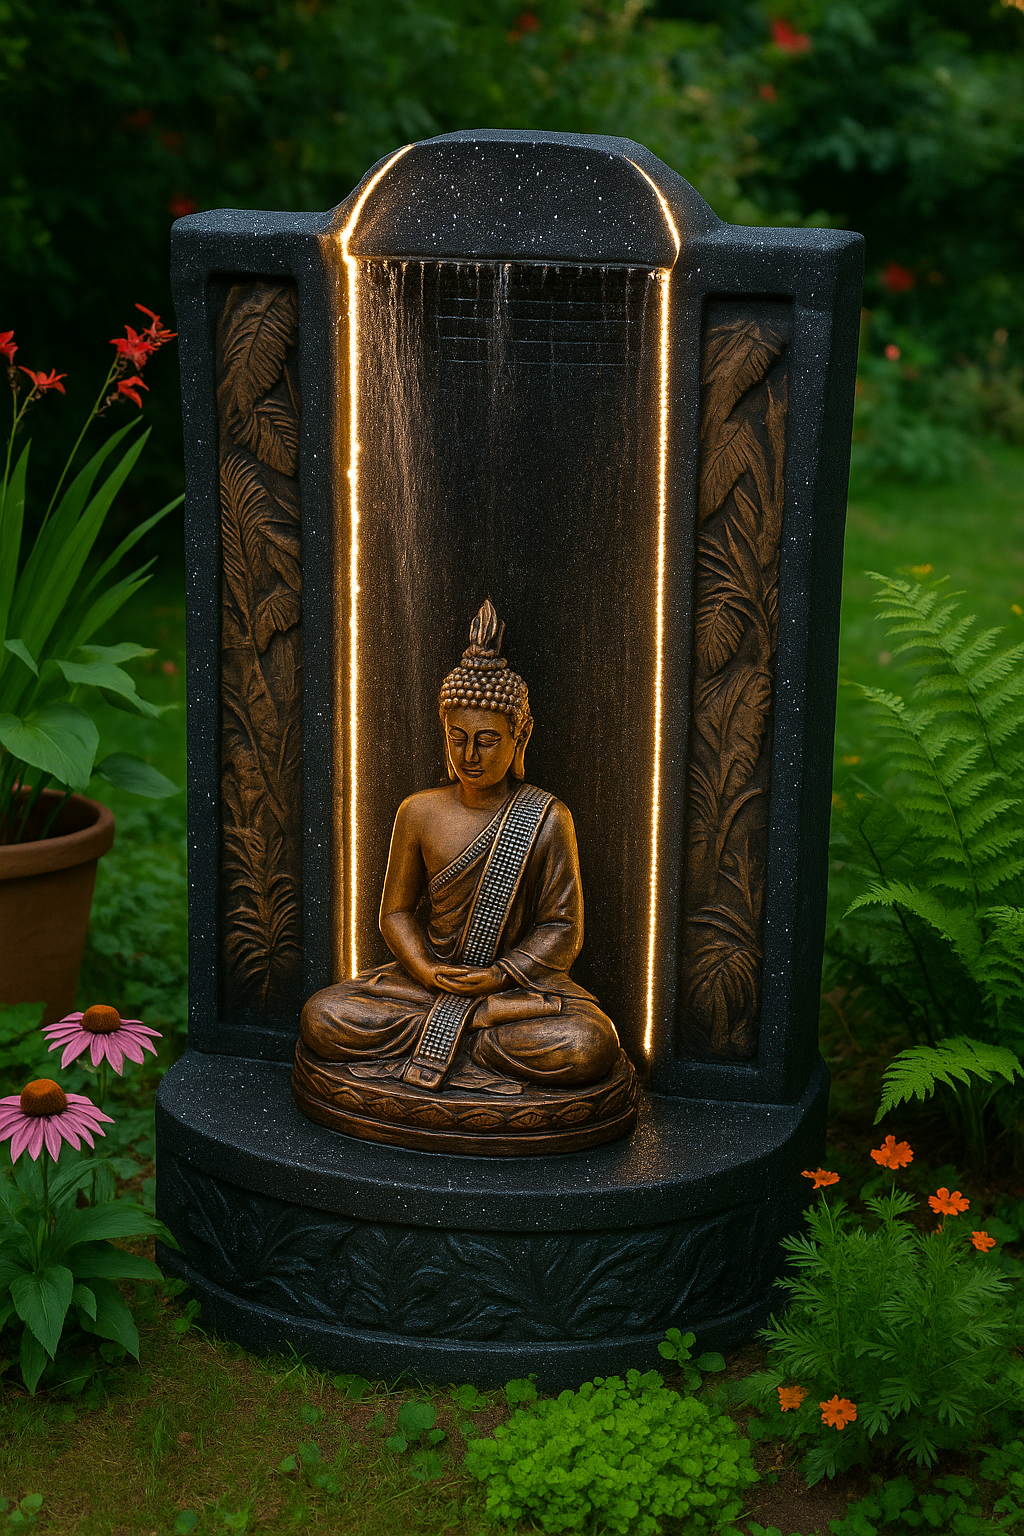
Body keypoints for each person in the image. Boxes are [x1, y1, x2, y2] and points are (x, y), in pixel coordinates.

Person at [299, 601, 621, 1095]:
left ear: (521, 736)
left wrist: (497, 977)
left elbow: (562, 927)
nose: (470, 755)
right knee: (324, 1016)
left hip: (511, 993)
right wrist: (427, 970)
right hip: (428, 986)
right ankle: (465, 1034)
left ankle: (468, 1028)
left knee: (587, 1045)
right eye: (458, 738)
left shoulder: (549, 817)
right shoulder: (418, 812)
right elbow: (396, 913)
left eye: (488, 740)